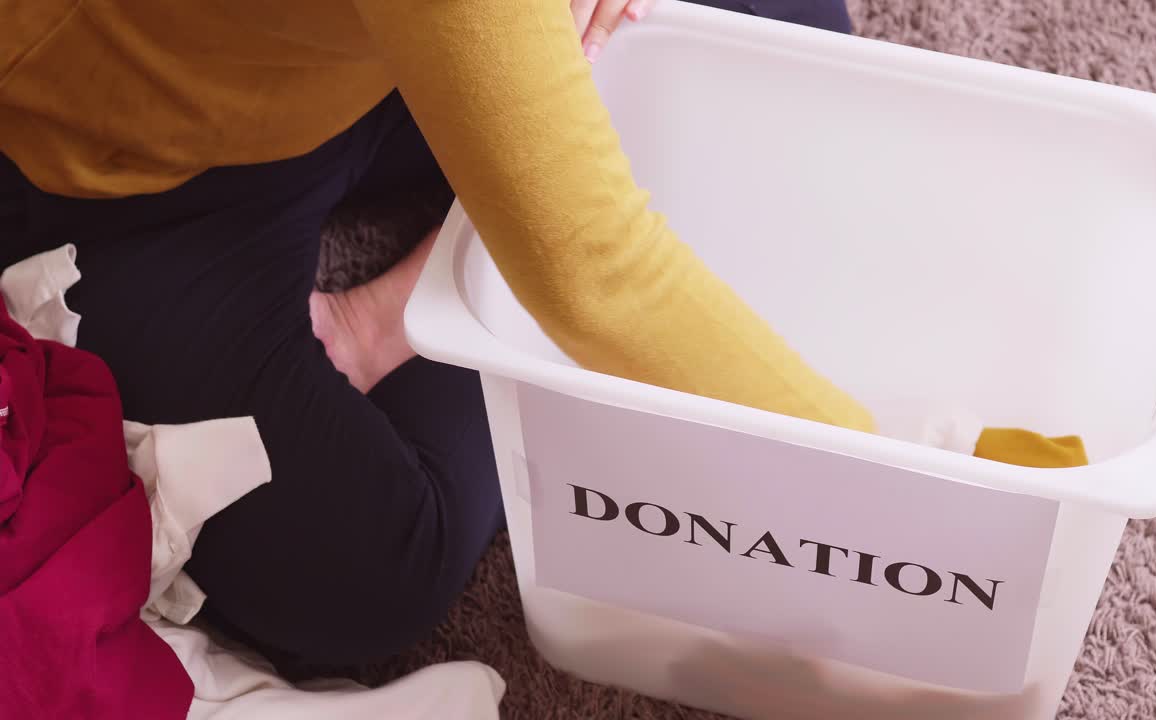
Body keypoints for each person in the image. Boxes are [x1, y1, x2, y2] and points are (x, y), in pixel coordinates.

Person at [0, 0, 879, 669]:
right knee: (366, 571)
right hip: (145, 170)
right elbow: (599, 276)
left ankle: (446, 267)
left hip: (367, 61)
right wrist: (897, 490)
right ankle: (445, 276)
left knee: (793, 40)